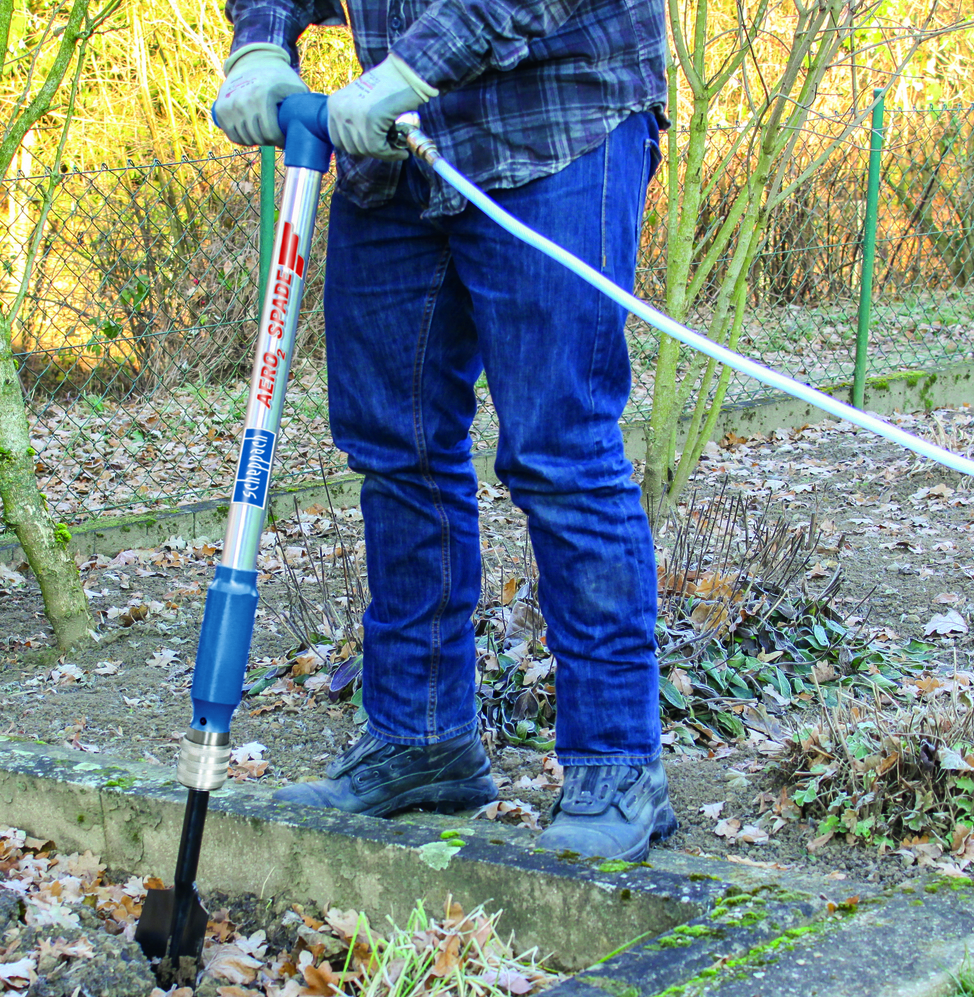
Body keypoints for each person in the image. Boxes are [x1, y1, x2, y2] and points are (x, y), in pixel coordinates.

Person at [213, 0, 674, 860]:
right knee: (397, 451)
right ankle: (420, 740)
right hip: (384, 151)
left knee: (560, 449)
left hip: (554, 122)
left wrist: (413, 68)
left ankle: (617, 765)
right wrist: (262, 42)